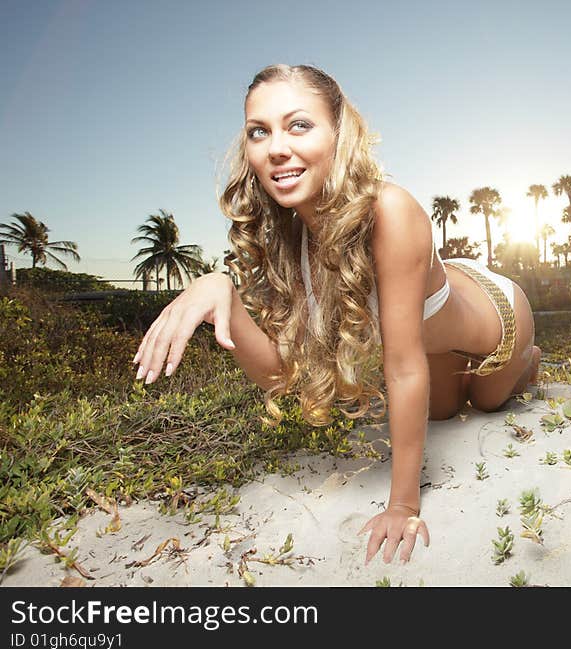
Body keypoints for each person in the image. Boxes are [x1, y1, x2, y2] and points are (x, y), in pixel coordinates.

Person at [131, 64, 542, 566]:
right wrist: (223, 296)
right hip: (434, 338)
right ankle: (473, 374)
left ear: (338, 133)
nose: (276, 147)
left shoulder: (389, 209)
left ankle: (528, 361)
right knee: (440, 413)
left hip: (497, 314)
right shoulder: (293, 237)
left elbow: (404, 367)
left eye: (298, 125)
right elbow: (284, 374)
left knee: (491, 400)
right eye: (259, 131)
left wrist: (403, 504)